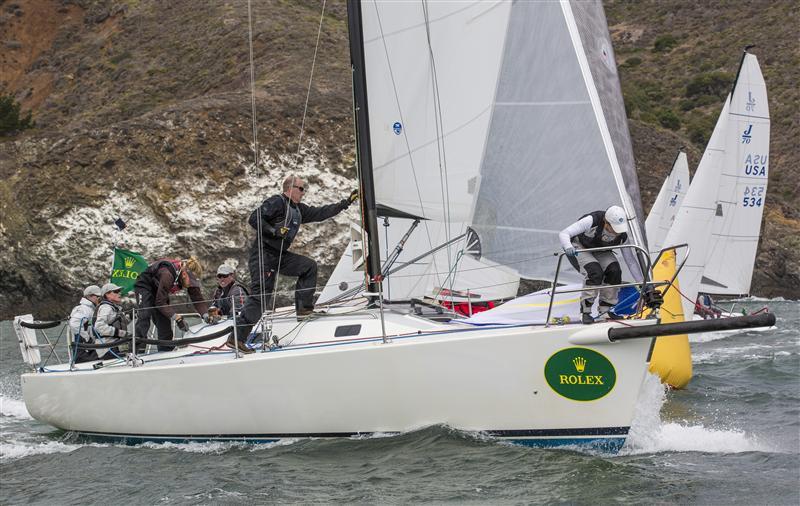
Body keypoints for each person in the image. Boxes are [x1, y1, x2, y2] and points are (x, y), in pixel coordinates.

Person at [239, 174, 357, 337]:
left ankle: (303, 310)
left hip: (280, 256)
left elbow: (321, 213)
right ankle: (238, 338)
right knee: (262, 296)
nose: (303, 192)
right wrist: (274, 231)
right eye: (301, 189)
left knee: (308, 267)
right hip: (263, 256)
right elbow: (254, 218)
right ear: (290, 189)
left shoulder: (298, 209)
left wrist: (346, 203)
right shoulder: (277, 202)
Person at [558, 205, 642, 324]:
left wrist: (643, 283)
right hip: (579, 248)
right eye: (614, 229)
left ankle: (606, 311)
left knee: (614, 270)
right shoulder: (592, 220)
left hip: (600, 250)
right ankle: (585, 312)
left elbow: (631, 261)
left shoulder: (622, 235)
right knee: (595, 272)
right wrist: (568, 247)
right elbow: (564, 234)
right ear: (606, 223)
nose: (617, 233)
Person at [133, 256, 208, 351]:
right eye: (191, 282)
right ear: (184, 274)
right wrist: (177, 318)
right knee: (145, 315)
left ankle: (165, 350)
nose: (191, 285)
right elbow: (160, 302)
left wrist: (206, 315)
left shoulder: (188, 277)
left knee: (164, 322)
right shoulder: (167, 274)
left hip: (159, 289)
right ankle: (134, 350)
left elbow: (197, 299)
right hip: (145, 286)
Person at [92, 282, 131, 359]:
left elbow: (118, 322)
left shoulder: (113, 307)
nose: (119, 293)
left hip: (115, 345)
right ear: (107, 294)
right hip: (108, 348)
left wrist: (130, 316)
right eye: (116, 291)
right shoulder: (106, 308)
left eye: (119, 291)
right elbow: (99, 326)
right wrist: (121, 333)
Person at [68, 285, 102, 363]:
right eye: (97, 296)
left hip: (87, 347)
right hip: (83, 348)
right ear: (89, 296)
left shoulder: (91, 309)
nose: (99, 299)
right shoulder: (84, 309)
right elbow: (74, 323)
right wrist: (87, 339)